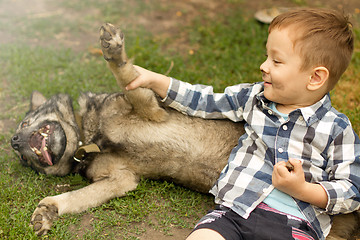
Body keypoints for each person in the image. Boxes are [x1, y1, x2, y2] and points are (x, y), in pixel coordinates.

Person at [125, 8, 360, 240]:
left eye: (276, 61)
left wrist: (303, 190)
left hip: (295, 226)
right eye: (267, 56)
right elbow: (204, 101)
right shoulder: (253, 98)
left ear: (315, 78)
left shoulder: (337, 129)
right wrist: (156, 80)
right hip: (233, 214)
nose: (264, 66)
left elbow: (352, 191)